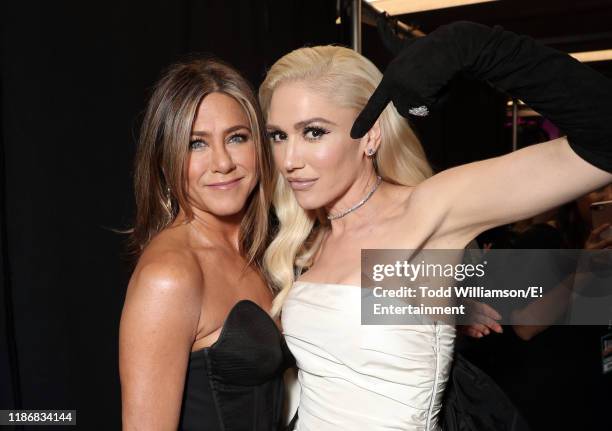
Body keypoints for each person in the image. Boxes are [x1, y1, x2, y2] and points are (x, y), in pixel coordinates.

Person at [258, 21, 612, 431]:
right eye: (278, 136)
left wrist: (479, 47)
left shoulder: (426, 210)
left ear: (370, 134)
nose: (288, 159)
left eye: (314, 132)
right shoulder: (306, 238)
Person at [119, 57, 293, 431]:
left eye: (236, 138)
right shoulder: (169, 276)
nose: (223, 163)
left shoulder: (265, 251)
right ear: (165, 162)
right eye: (196, 144)